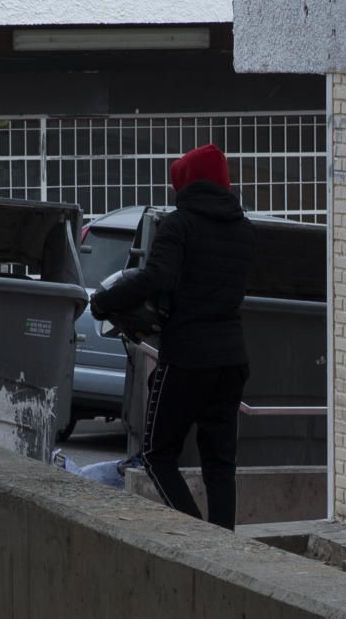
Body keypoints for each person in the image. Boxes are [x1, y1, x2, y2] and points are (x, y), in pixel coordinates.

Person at [89, 144, 254, 531]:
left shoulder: (178, 225)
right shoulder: (244, 230)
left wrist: (104, 302)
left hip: (186, 358)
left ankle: (196, 536)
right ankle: (224, 544)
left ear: (187, 185)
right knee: (220, 464)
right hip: (231, 358)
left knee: (156, 454)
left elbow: (156, 278)